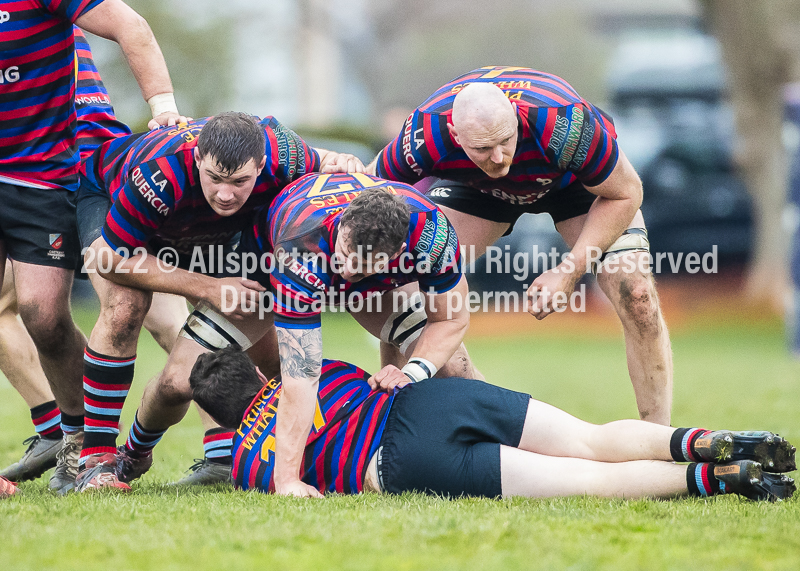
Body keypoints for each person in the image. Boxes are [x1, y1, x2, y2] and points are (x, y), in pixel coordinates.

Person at [70, 112, 363, 492]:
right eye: (215, 179)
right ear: (197, 160)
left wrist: (344, 163)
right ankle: (97, 459)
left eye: (240, 181)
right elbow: (108, 260)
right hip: (115, 206)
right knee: (125, 309)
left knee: (259, 356)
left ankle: (236, 455)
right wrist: (208, 287)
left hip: (206, 230)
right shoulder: (159, 174)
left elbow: (331, 164)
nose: (226, 193)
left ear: (261, 164)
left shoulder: (286, 153)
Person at [368, 66, 673, 425]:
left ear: (515, 118)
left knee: (636, 293)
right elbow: (368, 196)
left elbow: (627, 192)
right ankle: (399, 419)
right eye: (483, 147)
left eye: (505, 141)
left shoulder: (562, 121)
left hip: (570, 181)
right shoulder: (424, 133)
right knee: (399, 281)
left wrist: (570, 268)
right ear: (455, 133)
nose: (499, 158)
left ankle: (657, 440)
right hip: (478, 189)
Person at [190, 346, 796, 502]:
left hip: (401, 461)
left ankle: (725, 478)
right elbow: (377, 378)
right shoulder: (321, 372)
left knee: (587, 483)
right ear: (255, 369)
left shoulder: (247, 458)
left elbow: (299, 489)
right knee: (588, 438)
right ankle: (705, 441)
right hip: (431, 402)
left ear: (217, 416)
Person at [0, 0, 185, 492]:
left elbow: (130, 23)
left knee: (56, 314)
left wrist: (164, 110)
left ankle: (232, 442)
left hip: (50, 175)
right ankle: (77, 445)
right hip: (54, 175)